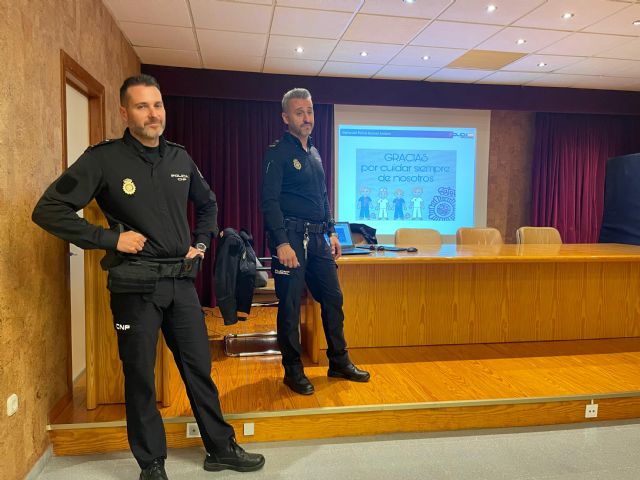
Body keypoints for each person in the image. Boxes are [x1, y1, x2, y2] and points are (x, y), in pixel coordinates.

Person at [32, 75, 264, 480]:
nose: (152, 113)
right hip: (134, 286)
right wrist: (109, 239)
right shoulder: (103, 159)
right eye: (142, 106)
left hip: (180, 283)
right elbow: (48, 209)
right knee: (139, 377)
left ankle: (221, 448)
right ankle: (152, 464)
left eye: (157, 105)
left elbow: (207, 204)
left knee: (199, 370)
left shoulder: (179, 158)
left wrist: (202, 245)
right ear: (125, 112)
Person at [261, 88, 370, 395]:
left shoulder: (315, 152)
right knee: (291, 307)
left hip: (319, 239)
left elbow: (323, 196)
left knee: (333, 298)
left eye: (309, 111)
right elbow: (269, 203)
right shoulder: (277, 153)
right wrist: (281, 243)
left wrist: (332, 231)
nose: (306, 118)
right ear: (286, 117)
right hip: (291, 239)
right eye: (299, 112)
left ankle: (338, 361)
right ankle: (292, 370)